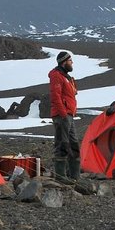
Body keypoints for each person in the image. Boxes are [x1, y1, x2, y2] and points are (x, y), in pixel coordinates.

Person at [49, 50, 80, 181]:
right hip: (63, 115)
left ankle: (75, 176)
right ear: (63, 62)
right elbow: (55, 96)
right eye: (70, 60)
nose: (72, 63)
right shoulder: (57, 76)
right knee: (62, 144)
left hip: (69, 114)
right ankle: (60, 177)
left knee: (73, 143)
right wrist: (63, 114)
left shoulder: (67, 77)